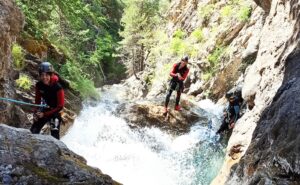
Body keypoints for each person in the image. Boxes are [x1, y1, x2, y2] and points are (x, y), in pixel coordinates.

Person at [30, 62, 64, 139]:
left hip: (55, 112)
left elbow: (60, 106)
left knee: (54, 136)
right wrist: (35, 112)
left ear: (51, 75)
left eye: (46, 75)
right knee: (33, 131)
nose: (44, 77)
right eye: (42, 75)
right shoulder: (39, 85)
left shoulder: (58, 87)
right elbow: (37, 101)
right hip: (45, 109)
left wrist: (44, 114)